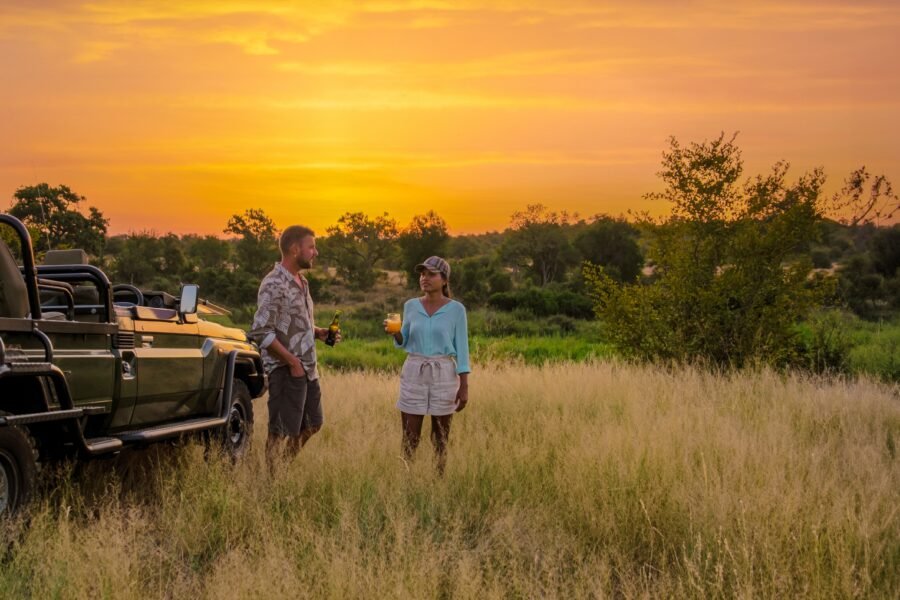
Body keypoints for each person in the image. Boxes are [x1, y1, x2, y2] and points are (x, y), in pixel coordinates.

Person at [250, 225, 339, 467]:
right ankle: (270, 478)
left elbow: (296, 323)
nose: (315, 252)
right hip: (285, 369)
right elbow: (261, 331)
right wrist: (291, 362)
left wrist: (318, 332)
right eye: (311, 247)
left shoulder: (302, 282)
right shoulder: (273, 283)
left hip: (308, 369)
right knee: (278, 432)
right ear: (294, 249)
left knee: (313, 424)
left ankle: (283, 467)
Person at [386, 255, 469, 474]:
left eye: (431, 274)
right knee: (410, 436)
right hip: (414, 370)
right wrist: (395, 333)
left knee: (440, 437)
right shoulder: (411, 306)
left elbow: (462, 348)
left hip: (444, 372)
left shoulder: (456, 310)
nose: (425, 278)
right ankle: (406, 481)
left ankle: (438, 480)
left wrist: (464, 385)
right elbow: (404, 340)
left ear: (444, 280)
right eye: (422, 274)